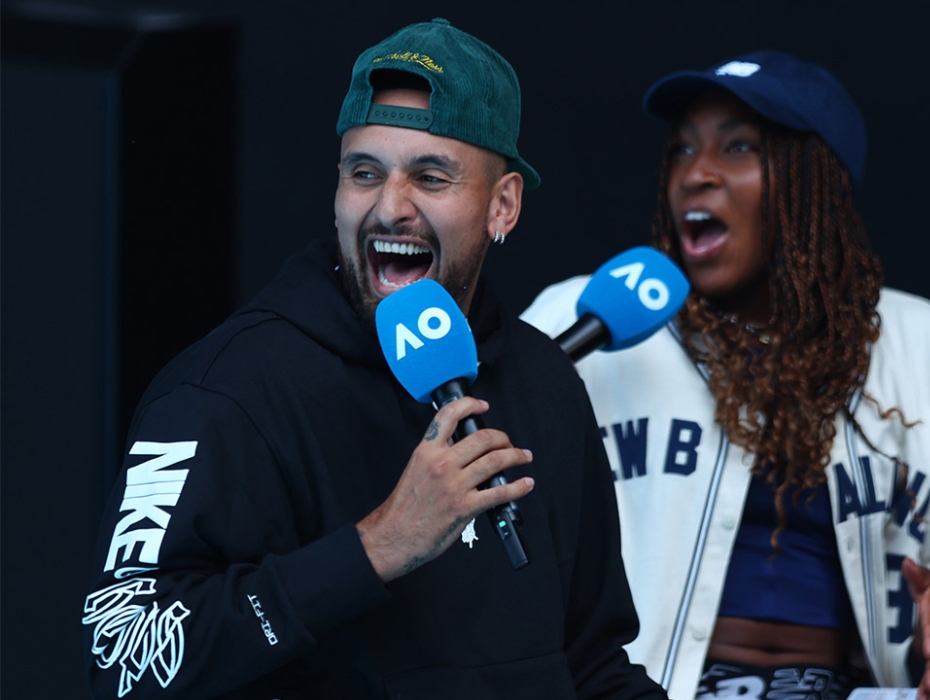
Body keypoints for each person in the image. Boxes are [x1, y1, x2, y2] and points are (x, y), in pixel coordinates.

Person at [82, 18, 666, 700]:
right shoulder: (226, 389)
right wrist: (374, 548)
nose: (390, 208)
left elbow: (592, 664)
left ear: (503, 206)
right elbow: (122, 657)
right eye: (365, 173)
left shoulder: (547, 382)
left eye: (431, 176)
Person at [522, 51, 930, 700]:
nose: (694, 174)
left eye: (738, 148)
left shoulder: (919, 341)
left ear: (817, 183)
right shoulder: (584, 317)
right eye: (681, 151)